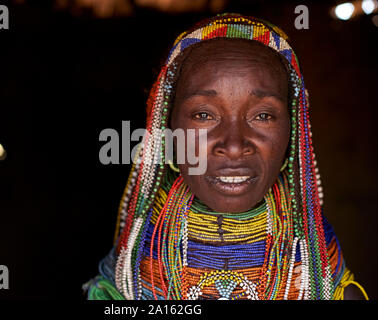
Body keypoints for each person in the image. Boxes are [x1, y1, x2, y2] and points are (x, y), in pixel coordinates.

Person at [84, 13, 368, 300]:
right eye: (204, 114)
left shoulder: (315, 260)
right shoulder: (135, 259)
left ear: (293, 131)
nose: (233, 145)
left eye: (263, 115)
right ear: (168, 127)